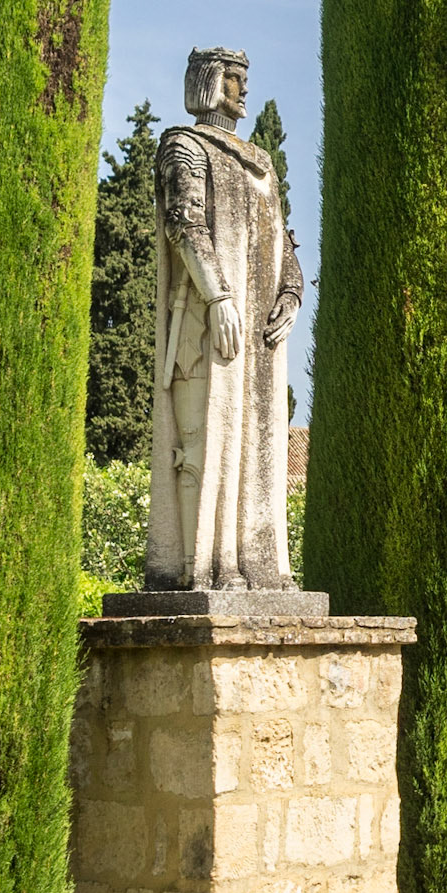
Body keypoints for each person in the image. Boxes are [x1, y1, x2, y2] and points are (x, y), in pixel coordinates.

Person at [143, 47, 303, 592]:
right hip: (208, 324)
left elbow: (284, 239)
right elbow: (184, 225)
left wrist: (291, 294)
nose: (244, 90)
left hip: (258, 332)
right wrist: (217, 297)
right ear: (211, 83)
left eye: (245, 80)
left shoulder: (260, 161)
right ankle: (203, 569)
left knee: (258, 447)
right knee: (203, 443)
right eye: (235, 80)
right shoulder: (184, 146)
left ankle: (259, 567)